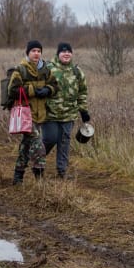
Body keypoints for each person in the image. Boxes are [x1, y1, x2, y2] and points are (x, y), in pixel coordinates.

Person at [7, 40, 58, 185]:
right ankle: (40, 178)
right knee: (38, 145)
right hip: (25, 115)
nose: (36, 53)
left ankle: (18, 176)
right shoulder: (21, 70)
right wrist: (33, 90)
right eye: (33, 51)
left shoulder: (45, 70)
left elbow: (55, 85)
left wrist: (48, 90)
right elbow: (13, 90)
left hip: (40, 114)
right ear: (28, 53)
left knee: (26, 146)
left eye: (39, 51)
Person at [43, 42, 91, 179]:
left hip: (69, 114)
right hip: (50, 114)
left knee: (64, 142)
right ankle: (37, 161)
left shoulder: (77, 72)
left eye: (69, 51)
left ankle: (62, 171)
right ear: (58, 53)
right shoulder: (48, 69)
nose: (66, 53)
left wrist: (83, 111)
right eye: (63, 51)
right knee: (50, 139)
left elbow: (82, 92)